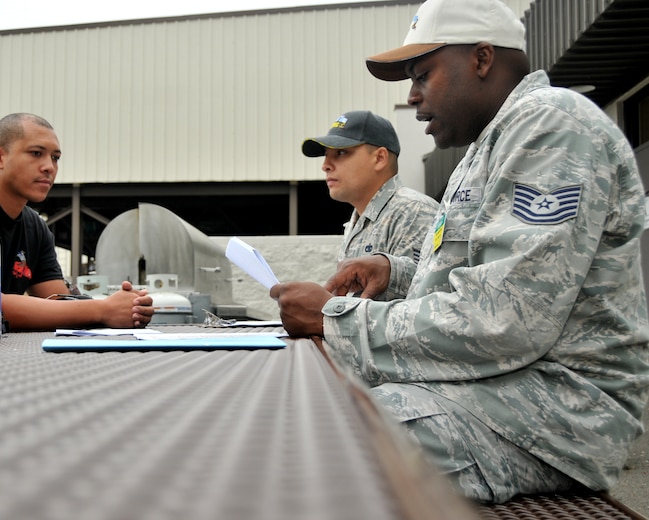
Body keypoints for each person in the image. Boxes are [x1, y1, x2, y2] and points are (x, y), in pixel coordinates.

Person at [271, 0, 649, 504]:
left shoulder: (553, 126)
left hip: (556, 411)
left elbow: (505, 320)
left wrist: (335, 319)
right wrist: (395, 273)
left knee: (316, 439)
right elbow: (482, 277)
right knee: (302, 410)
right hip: (498, 388)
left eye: (423, 74)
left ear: (482, 59)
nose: (412, 95)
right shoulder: (487, 146)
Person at [0, 113, 153, 330]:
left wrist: (128, 306)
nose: (49, 167)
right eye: (36, 153)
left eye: (55, 157)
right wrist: (103, 310)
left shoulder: (35, 227)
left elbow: (57, 302)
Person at [302, 110, 437, 299]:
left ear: (379, 158)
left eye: (341, 152)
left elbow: (418, 309)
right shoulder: (357, 222)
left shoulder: (413, 212)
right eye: (326, 154)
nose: (325, 165)